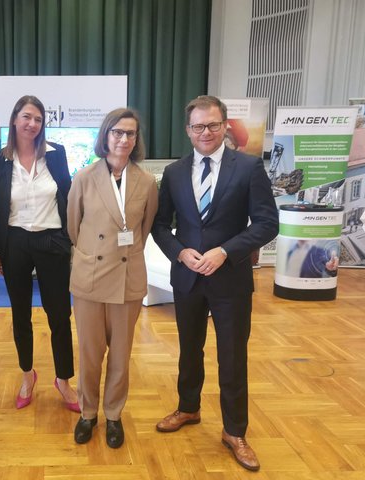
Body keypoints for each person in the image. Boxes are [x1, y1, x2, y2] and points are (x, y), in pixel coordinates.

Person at [152, 95, 278, 471]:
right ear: (188, 130)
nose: (205, 132)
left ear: (224, 125)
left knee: (232, 357)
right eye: (197, 126)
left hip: (231, 280)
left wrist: (226, 251)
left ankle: (234, 430)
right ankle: (188, 408)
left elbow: (267, 223)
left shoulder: (250, 168)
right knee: (189, 351)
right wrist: (179, 252)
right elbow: (160, 225)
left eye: (212, 125)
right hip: (188, 278)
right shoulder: (174, 172)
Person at [67, 108, 158, 449]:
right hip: (90, 278)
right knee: (90, 354)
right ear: (105, 135)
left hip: (127, 278)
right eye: (117, 132)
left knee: (120, 354)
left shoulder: (147, 182)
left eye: (130, 134)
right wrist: (90, 255)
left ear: (136, 141)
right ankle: (88, 413)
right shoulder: (84, 177)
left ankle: (114, 414)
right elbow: (73, 228)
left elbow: (143, 230)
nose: (123, 139)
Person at [0, 95, 79, 412]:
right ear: (15, 119)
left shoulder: (56, 154)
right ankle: (28, 375)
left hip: (52, 240)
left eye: (38, 119)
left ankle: (64, 380)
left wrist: (71, 240)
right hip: (14, 242)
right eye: (27, 116)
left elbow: (68, 195)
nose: (32, 124)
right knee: (20, 315)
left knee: (59, 315)